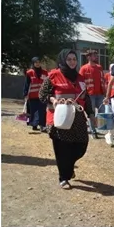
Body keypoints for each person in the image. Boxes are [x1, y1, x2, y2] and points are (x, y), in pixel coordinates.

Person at [40, 49, 94, 190]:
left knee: (81, 145)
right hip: (59, 119)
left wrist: (91, 114)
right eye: (69, 59)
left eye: (74, 59)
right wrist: (53, 99)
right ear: (63, 60)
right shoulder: (53, 75)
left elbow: (86, 97)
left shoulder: (80, 78)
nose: (72, 62)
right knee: (62, 149)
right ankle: (63, 178)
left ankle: (68, 167)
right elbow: (42, 94)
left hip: (77, 118)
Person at [79, 50, 106, 139]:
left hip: (100, 93)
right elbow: (80, 82)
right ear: (89, 57)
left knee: (102, 111)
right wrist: (83, 93)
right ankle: (93, 131)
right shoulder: (84, 68)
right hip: (90, 94)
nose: (96, 57)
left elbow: (103, 80)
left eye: (96, 55)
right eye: (94, 55)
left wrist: (105, 91)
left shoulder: (99, 67)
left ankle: (98, 126)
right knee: (91, 113)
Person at [23, 56, 48, 133]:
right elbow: (27, 84)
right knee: (34, 111)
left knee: (43, 111)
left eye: (39, 62)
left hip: (42, 95)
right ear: (33, 63)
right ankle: (34, 125)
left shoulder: (45, 72)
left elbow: (47, 84)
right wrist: (25, 93)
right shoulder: (29, 72)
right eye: (36, 62)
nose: (37, 64)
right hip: (32, 96)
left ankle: (42, 126)